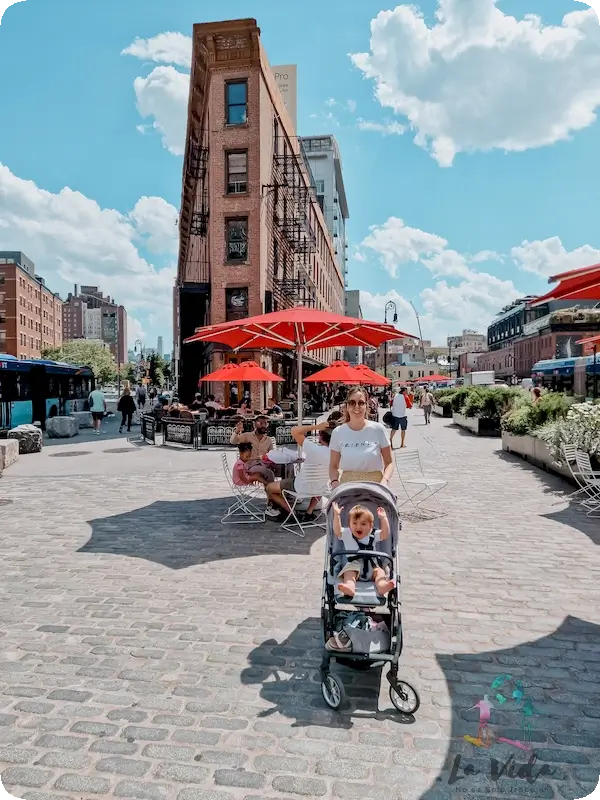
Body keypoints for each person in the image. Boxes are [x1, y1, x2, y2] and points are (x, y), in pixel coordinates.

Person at [329, 386, 394, 488]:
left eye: (361, 403)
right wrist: (334, 482)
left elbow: (389, 463)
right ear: (346, 406)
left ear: (366, 405)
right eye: (352, 402)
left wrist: (385, 481)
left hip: (375, 486)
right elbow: (333, 466)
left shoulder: (378, 429)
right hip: (347, 487)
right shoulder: (338, 432)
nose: (357, 406)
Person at [331, 502, 395, 598]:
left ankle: (382, 586)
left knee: (380, 573)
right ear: (349, 525)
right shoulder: (347, 534)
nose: (358, 527)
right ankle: (349, 587)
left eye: (363, 524)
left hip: (372, 565)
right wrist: (337, 515)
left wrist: (383, 518)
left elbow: (385, 534)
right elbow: (337, 530)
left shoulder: (373, 534)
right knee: (349, 573)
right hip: (354, 564)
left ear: (370, 526)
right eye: (354, 523)